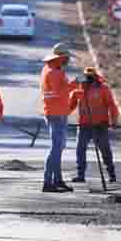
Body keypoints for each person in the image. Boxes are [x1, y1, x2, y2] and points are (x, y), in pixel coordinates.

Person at [69, 67, 119, 184]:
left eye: (91, 77)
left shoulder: (103, 88)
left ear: (95, 77)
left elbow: (111, 105)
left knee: (105, 150)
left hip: (100, 125)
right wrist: (59, 116)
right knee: (80, 150)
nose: (88, 79)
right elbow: (69, 107)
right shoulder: (77, 90)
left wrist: (113, 121)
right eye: (86, 77)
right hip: (83, 126)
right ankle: (80, 175)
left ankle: (111, 174)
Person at [40, 43, 77, 193]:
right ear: (61, 57)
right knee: (56, 148)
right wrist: (75, 84)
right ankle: (48, 182)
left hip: (56, 112)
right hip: (56, 114)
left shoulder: (50, 69)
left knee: (58, 148)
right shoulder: (54, 72)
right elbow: (60, 92)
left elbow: (59, 92)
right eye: (67, 57)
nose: (68, 60)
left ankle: (57, 180)